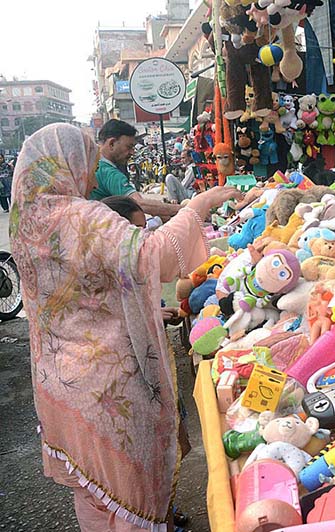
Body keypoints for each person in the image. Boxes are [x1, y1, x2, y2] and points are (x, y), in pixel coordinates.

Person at [11, 123, 242, 532]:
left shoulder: (26, 223)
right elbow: (155, 259)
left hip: (59, 382)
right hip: (108, 381)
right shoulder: (79, 218)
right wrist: (196, 207)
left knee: (93, 490)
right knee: (127, 490)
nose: (90, 174)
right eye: (88, 163)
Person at [92, 119, 182, 219]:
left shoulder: (92, 165)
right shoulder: (109, 172)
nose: (132, 152)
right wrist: (183, 209)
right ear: (112, 144)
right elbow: (138, 203)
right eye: (129, 147)